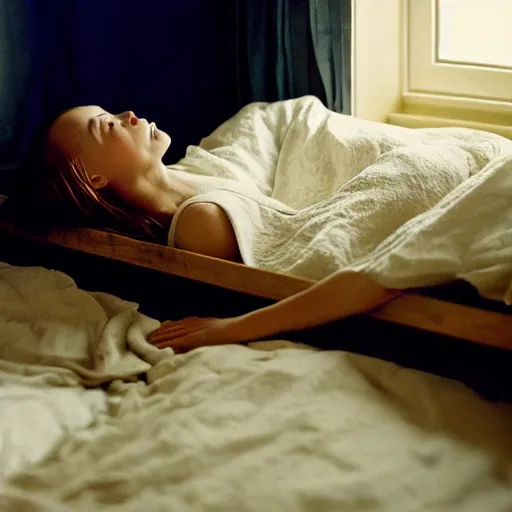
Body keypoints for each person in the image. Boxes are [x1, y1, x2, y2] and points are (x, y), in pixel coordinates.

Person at [3, 105, 402, 351]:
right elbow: (291, 256)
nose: (130, 116)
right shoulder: (199, 223)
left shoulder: (186, 177)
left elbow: (264, 129)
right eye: (108, 126)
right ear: (93, 180)